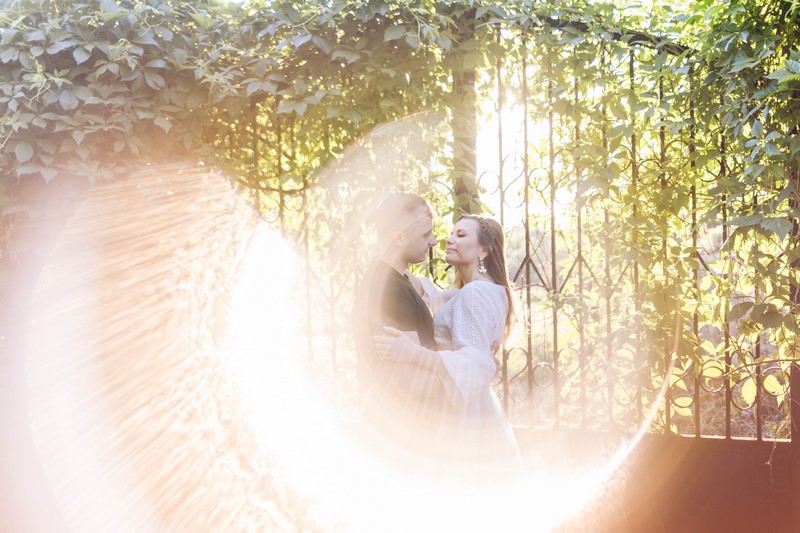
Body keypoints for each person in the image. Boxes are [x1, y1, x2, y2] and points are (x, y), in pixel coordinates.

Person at [374, 214, 523, 479]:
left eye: (461, 235)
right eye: (452, 233)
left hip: (462, 414)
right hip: (476, 407)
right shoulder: (486, 291)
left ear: (483, 250)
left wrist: (411, 352)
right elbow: (436, 298)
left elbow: (476, 365)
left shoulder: (475, 294)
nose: (449, 239)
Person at [352, 192, 451, 466]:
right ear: (398, 238)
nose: (433, 241)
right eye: (425, 235)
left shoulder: (396, 278)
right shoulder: (390, 291)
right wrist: (464, 377)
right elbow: (410, 382)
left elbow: (435, 294)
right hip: (402, 441)